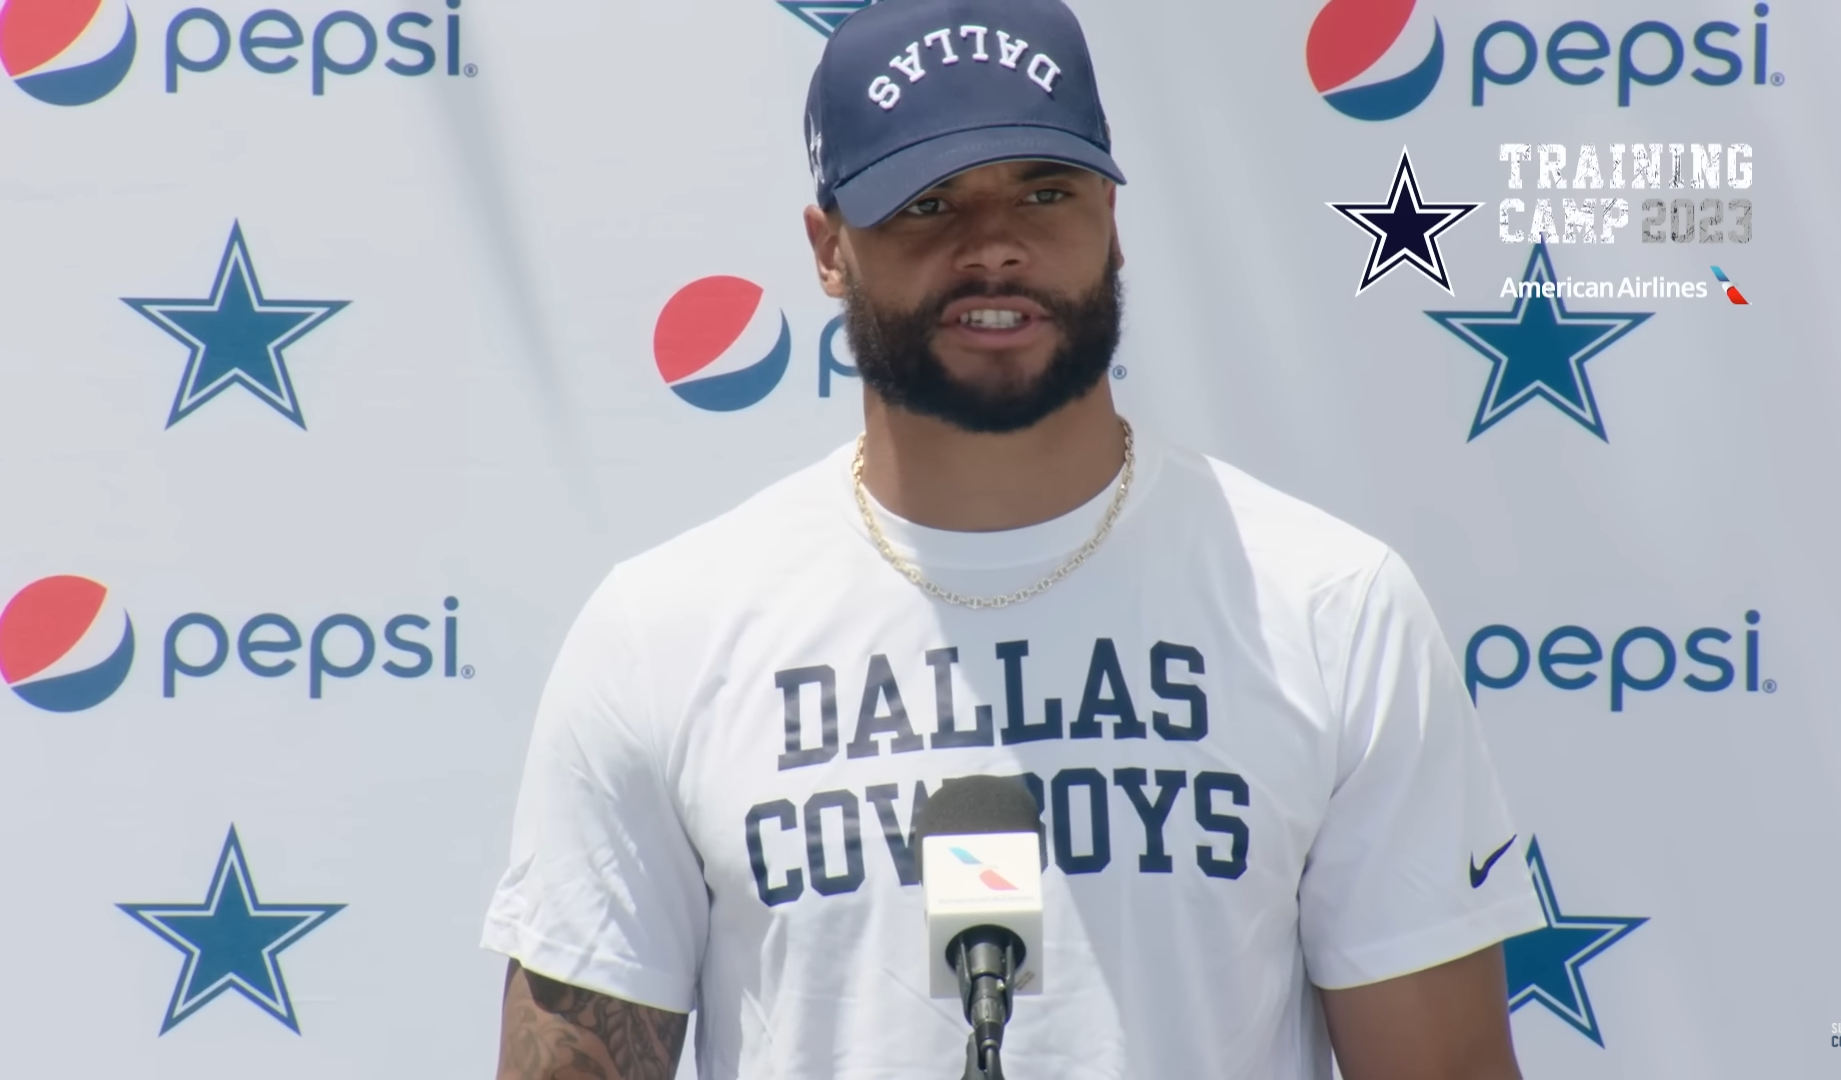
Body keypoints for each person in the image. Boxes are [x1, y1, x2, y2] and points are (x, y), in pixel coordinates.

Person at [482, 0, 1546, 1076]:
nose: (994, 246)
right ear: (829, 249)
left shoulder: (1327, 605)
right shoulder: (665, 630)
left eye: (1047, 191)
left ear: (1113, 221)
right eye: (927, 202)